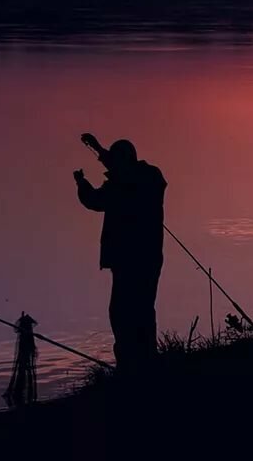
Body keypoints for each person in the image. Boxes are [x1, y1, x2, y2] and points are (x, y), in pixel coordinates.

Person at [74, 134, 167, 371]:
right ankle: (146, 359)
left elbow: (95, 200)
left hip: (128, 260)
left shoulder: (120, 186)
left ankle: (129, 363)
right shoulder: (151, 177)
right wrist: (98, 148)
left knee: (121, 312)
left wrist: (81, 183)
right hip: (150, 257)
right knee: (144, 308)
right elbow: (124, 171)